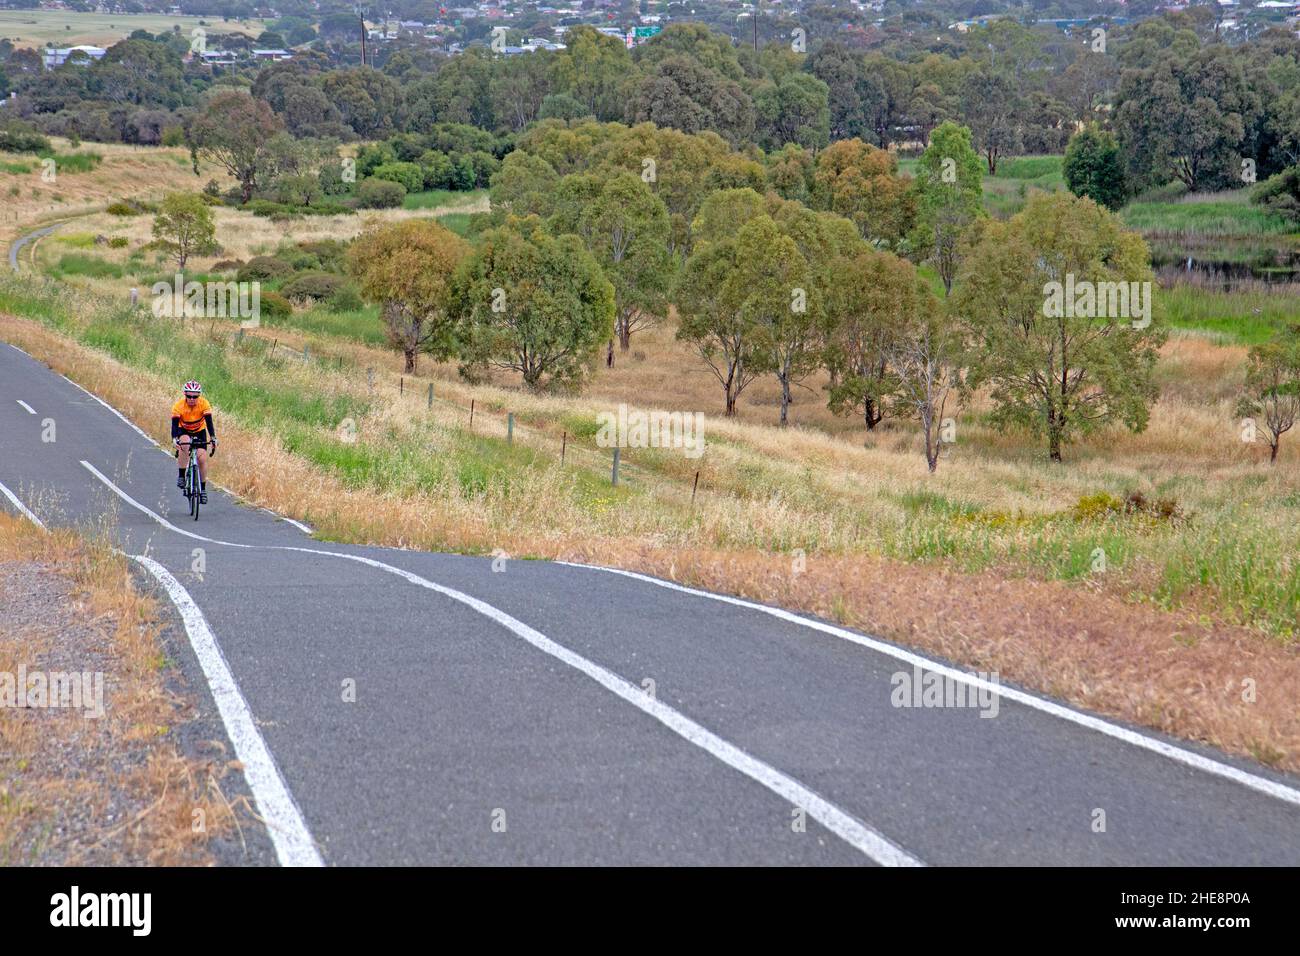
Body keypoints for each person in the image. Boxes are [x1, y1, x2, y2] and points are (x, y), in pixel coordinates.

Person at [171, 380, 217, 504]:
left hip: (199, 431)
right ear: (185, 395)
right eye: (189, 396)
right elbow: (174, 426)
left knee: (202, 459)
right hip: (183, 429)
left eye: (195, 396)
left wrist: (213, 438)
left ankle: (202, 490)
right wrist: (175, 439)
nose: (192, 399)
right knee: (184, 444)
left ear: (199, 396)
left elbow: (209, 422)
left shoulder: (204, 404)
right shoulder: (178, 406)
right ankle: (181, 476)